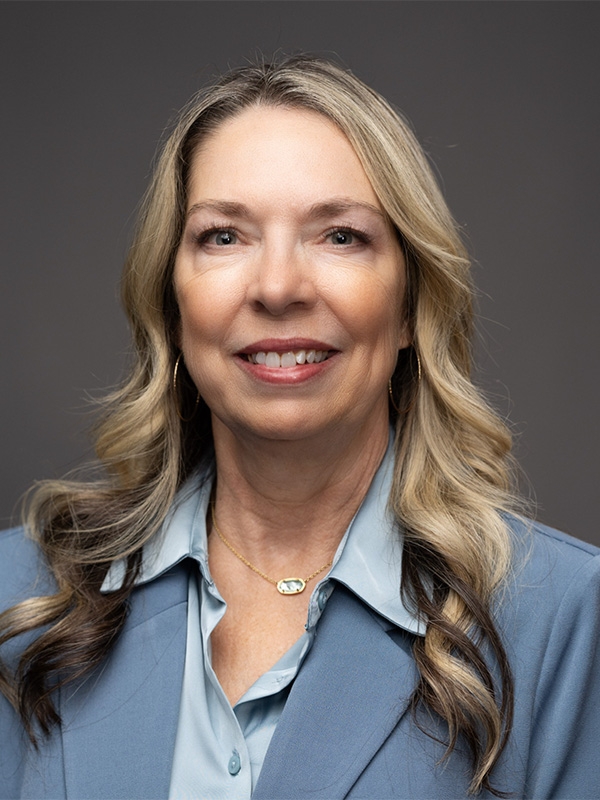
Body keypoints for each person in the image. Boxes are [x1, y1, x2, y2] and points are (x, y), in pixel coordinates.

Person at [1, 55, 599, 800]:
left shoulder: (566, 619)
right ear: (171, 301)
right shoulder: (17, 601)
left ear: (412, 303)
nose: (279, 287)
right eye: (224, 236)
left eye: (340, 236)